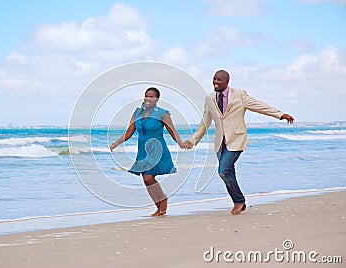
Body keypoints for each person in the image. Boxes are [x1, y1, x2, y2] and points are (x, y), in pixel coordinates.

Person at [185, 70, 295, 215]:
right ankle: (238, 202)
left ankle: (239, 201)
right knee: (228, 171)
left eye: (219, 80)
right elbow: (205, 122)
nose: (216, 82)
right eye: (214, 79)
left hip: (236, 139)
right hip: (220, 142)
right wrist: (193, 141)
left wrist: (279, 115)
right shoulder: (210, 98)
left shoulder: (239, 94)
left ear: (227, 82)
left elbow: (258, 105)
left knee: (224, 171)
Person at [110, 87, 186, 216]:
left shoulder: (163, 113)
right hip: (142, 150)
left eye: (151, 97)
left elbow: (172, 131)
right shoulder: (137, 113)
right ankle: (159, 206)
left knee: (148, 177)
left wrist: (181, 143)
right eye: (146, 96)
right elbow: (129, 132)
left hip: (157, 148)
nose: (148, 98)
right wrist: (116, 143)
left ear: (157, 99)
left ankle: (163, 200)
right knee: (146, 179)